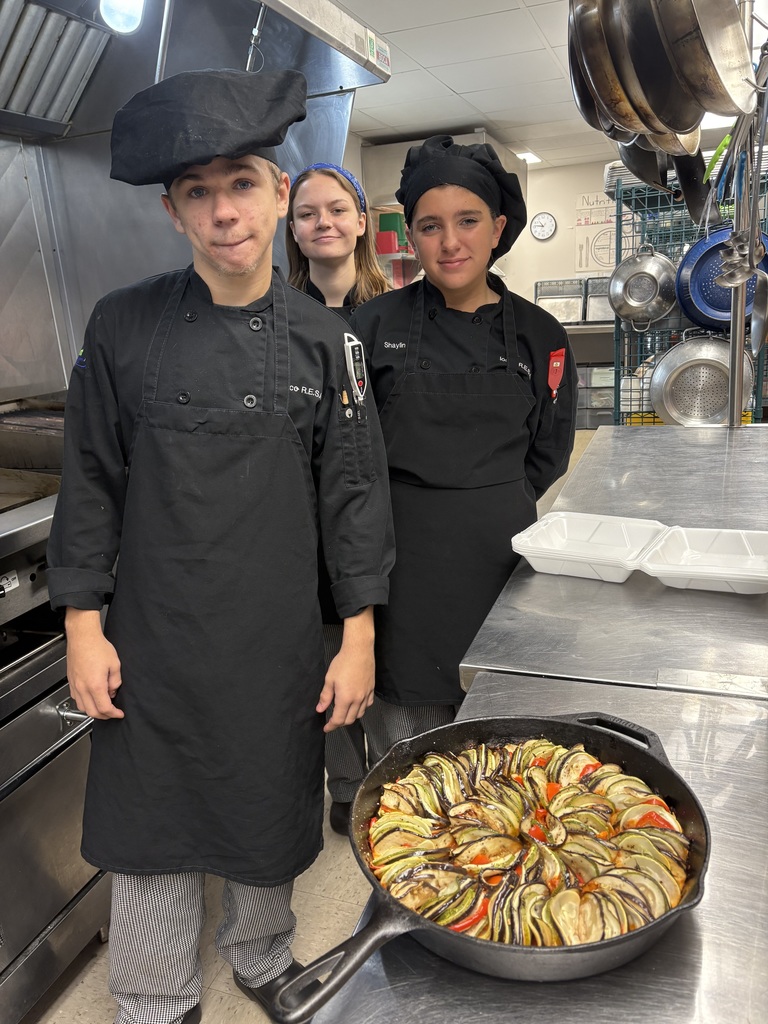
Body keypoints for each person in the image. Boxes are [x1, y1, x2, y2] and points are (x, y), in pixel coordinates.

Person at [45, 68, 394, 1024]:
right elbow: (90, 481)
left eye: (241, 183)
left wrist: (358, 637)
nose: (223, 211)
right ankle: (153, 996)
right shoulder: (123, 325)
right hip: (152, 636)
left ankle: (261, 954)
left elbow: (354, 498)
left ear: (279, 194)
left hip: (277, 640)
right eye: (197, 193)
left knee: (266, 806)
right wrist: (82, 625)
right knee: (149, 826)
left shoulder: (327, 343)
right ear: (172, 212)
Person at [350, 134, 577, 760]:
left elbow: (549, 451)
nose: (450, 242)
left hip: (498, 564)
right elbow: (347, 454)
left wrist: (488, 499)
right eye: (430, 226)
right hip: (400, 571)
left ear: (498, 227)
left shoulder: (542, 335)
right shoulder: (370, 327)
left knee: (500, 747)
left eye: (468, 220)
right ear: (411, 236)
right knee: (407, 757)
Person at [285, 162, 390, 835]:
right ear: (292, 230)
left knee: (382, 655)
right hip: (304, 532)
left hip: (382, 520)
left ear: (360, 223)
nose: (322, 222)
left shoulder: (394, 316)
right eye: (306, 213)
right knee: (327, 661)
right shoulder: (278, 323)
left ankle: (395, 776)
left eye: (335, 209)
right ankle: (349, 787)